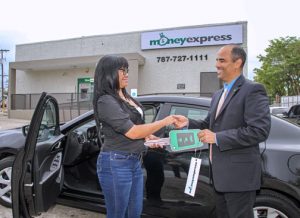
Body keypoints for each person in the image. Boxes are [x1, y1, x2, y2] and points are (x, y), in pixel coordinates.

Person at [176, 45, 271, 218]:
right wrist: (188, 122)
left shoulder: (253, 90)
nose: (217, 65)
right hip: (220, 177)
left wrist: (217, 138)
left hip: (239, 178)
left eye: (222, 60)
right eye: (216, 60)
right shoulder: (218, 94)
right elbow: (209, 125)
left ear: (237, 63)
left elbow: (259, 130)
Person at [92, 55, 184, 218]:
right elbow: (132, 131)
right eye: (122, 70)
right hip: (116, 163)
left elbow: (136, 126)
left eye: (126, 69)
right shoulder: (106, 101)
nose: (126, 73)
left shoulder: (125, 97)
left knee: (134, 212)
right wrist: (164, 121)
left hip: (134, 161)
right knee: (118, 214)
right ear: (108, 73)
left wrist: (149, 137)